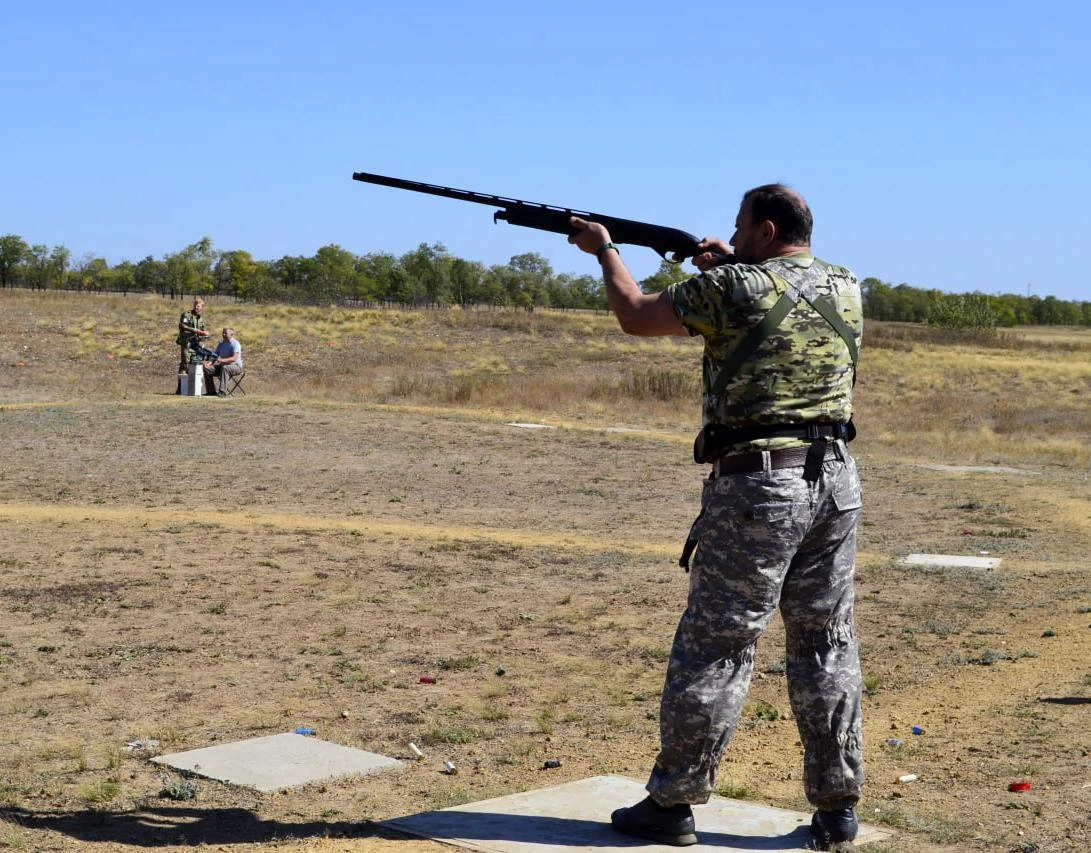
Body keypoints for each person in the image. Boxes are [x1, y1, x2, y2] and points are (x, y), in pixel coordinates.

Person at [568, 184, 864, 852]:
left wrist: (605, 250)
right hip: (835, 481)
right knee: (826, 642)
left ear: (762, 228)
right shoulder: (845, 283)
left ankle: (673, 800)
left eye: (738, 229)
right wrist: (727, 262)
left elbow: (637, 314)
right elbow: (770, 290)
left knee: (717, 642)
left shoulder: (733, 285)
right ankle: (838, 806)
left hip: (758, 488)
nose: (729, 237)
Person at [176, 298, 213, 389]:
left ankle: (189, 387)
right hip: (186, 342)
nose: (197, 307)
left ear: (202, 308)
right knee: (185, 363)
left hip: (195, 344)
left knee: (193, 363)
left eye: (199, 306)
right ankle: (180, 388)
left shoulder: (200, 318)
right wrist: (197, 331)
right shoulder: (186, 314)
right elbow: (182, 325)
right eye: (196, 305)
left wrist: (206, 334)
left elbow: (203, 330)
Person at [204, 327, 244, 397]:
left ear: (231, 334)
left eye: (226, 333)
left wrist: (222, 360)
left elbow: (234, 358)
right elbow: (215, 356)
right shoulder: (221, 344)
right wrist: (209, 363)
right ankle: (211, 391)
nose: (223, 334)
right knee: (207, 369)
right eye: (223, 333)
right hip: (223, 367)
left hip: (236, 366)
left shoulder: (235, 344)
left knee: (225, 368)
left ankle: (222, 392)